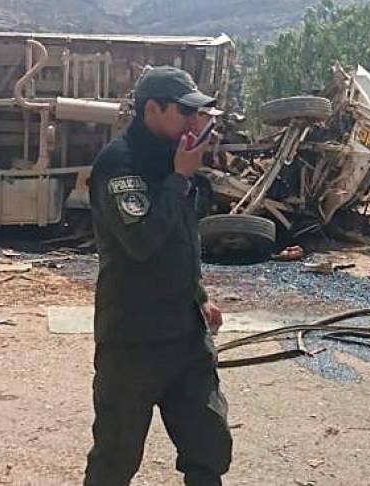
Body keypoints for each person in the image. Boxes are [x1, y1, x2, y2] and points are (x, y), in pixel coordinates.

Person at [84, 67, 230, 486]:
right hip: (133, 339)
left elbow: (183, 241)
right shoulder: (119, 163)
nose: (195, 122)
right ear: (153, 109)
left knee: (208, 446)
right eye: (186, 112)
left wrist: (199, 295)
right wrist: (180, 177)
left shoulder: (176, 160)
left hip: (185, 334)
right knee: (116, 457)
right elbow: (143, 241)